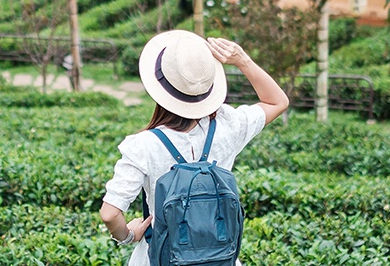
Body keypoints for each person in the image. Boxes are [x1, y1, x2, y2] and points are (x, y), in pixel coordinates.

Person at [100, 30, 290, 265]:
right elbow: (278, 101)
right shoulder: (228, 125)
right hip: (220, 258)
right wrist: (243, 60)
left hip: (160, 257)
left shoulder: (143, 145)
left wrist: (128, 236)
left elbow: (110, 214)